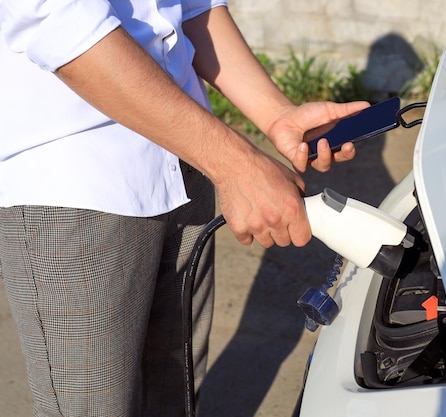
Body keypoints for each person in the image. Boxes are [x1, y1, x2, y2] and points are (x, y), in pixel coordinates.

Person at [0, 1, 369, 416]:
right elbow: (57, 20)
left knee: (174, 396)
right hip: (78, 180)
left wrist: (276, 114)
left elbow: (189, 4)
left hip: (187, 156)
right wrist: (235, 166)